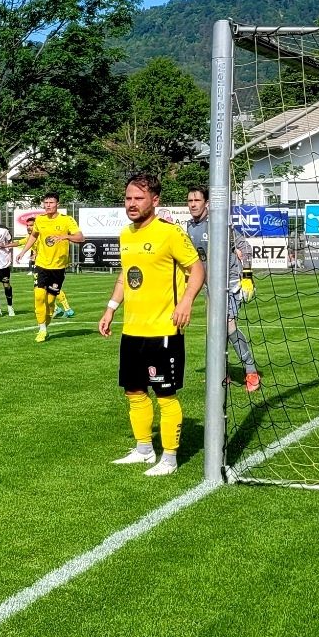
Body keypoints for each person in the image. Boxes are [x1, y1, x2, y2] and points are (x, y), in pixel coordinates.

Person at [99, 174, 205, 477]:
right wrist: (110, 309)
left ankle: (169, 458)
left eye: (138, 199)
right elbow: (125, 275)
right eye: (128, 198)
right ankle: (144, 449)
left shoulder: (169, 233)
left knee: (165, 395)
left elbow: (196, 270)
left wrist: (185, 302)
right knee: (133, 391)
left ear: (154, 201)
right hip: (132, 330)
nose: (132, 204)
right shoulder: (126, 235)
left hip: (163, 330)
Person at [186, 186, 260, 392]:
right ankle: (221, 373)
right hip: (210, 286)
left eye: (197, 200)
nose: (193, 204)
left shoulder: (219, 224)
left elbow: (245, 248)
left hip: (230, 283)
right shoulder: (190, 227)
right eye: (190, 201)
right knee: (214, 329)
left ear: (206, 203)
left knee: (228, 327)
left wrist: (247, 277)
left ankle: (251, 372)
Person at [15, 191, 85, 342]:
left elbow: (80, 237)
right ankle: (42, 329)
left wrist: (66, 236)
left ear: (57, 204)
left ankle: (45, 326)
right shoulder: (40, 220)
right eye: (46, 203)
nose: (48, 206)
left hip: (58, 267)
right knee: (39, 296)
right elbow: (33, 236)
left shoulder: (67, 220)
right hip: (42, 264)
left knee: (51, 302)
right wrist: (23, 252)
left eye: (51, 203)